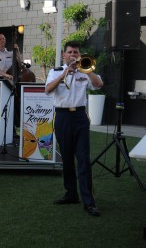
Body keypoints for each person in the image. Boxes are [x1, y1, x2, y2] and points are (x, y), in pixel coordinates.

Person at [45, 41, 104, 216]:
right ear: (64, 55)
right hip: (62, 117)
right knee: (67, 160)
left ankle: (88, 201)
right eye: (70, 52)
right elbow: (48, 89)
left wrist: (87, 70)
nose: (73, 54)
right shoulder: (55, 71)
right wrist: (64, 73)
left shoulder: (85, 70)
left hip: (80, 116)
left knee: (83, 159)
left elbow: (99, 84)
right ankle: (71, 194)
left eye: (76, 52)